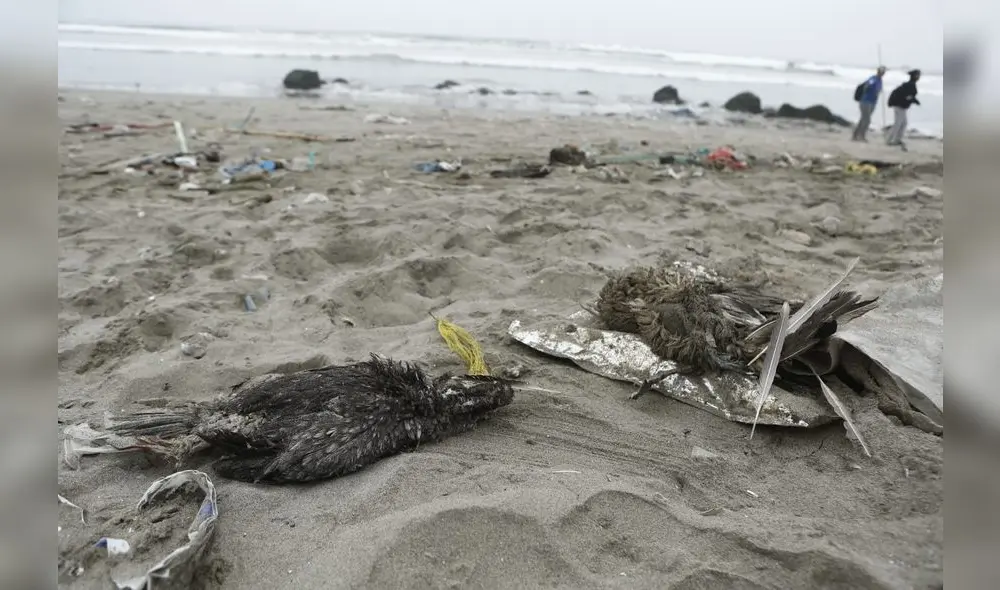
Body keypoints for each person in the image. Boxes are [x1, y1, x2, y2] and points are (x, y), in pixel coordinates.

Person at [886, 69, 921, 149]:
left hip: (900, 106)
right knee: (898, 123)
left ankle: (897, 139)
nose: (919, 77)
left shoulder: (909, 84)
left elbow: (908, 96)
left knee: (903, 123)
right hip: (900, 106)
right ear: (915, 76)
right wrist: (915, 101)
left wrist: (914, 100)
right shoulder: (910, 85)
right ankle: (889, 140)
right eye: (918, 75)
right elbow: (908, 96)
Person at [852, 66, 886, 141]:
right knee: (866, 120)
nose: (882, 73)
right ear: (878, 71)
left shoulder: (880, 81)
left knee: (863, 119)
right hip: (866, 101)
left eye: (883, 72)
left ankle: (855, 135)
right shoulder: (873, 79)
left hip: (872, 102)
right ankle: (861, 136)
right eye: (881, 71)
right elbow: (867, 86)